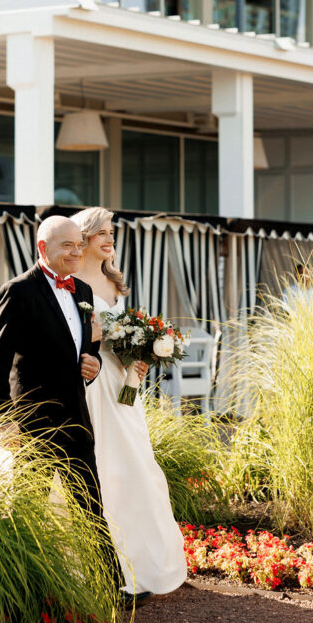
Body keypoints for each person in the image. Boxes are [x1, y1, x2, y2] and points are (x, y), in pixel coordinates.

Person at [0, 214, 123, 596]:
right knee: (27, 512)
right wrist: (5, 423)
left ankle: (110, 591)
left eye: (80, 244)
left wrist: (91, 364)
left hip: (76, 416)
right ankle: (16, 593)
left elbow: (85, 350)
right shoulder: (18, 291)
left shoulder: (81, 289)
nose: (77, 252)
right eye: (68, 245)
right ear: (43, 248)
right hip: (33, 423)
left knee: (89, 506)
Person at [71, 206, 188, 597]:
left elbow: (126, 334)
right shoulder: (70, 282)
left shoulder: (114, 284)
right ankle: (106, 567)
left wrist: (140, 359)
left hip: (125, 387)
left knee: (138, 464)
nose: (109, 240)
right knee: (107, 466)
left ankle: (146, 564)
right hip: (93, 384)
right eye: (102, 233)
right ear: (84, 238)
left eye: (112, 234)